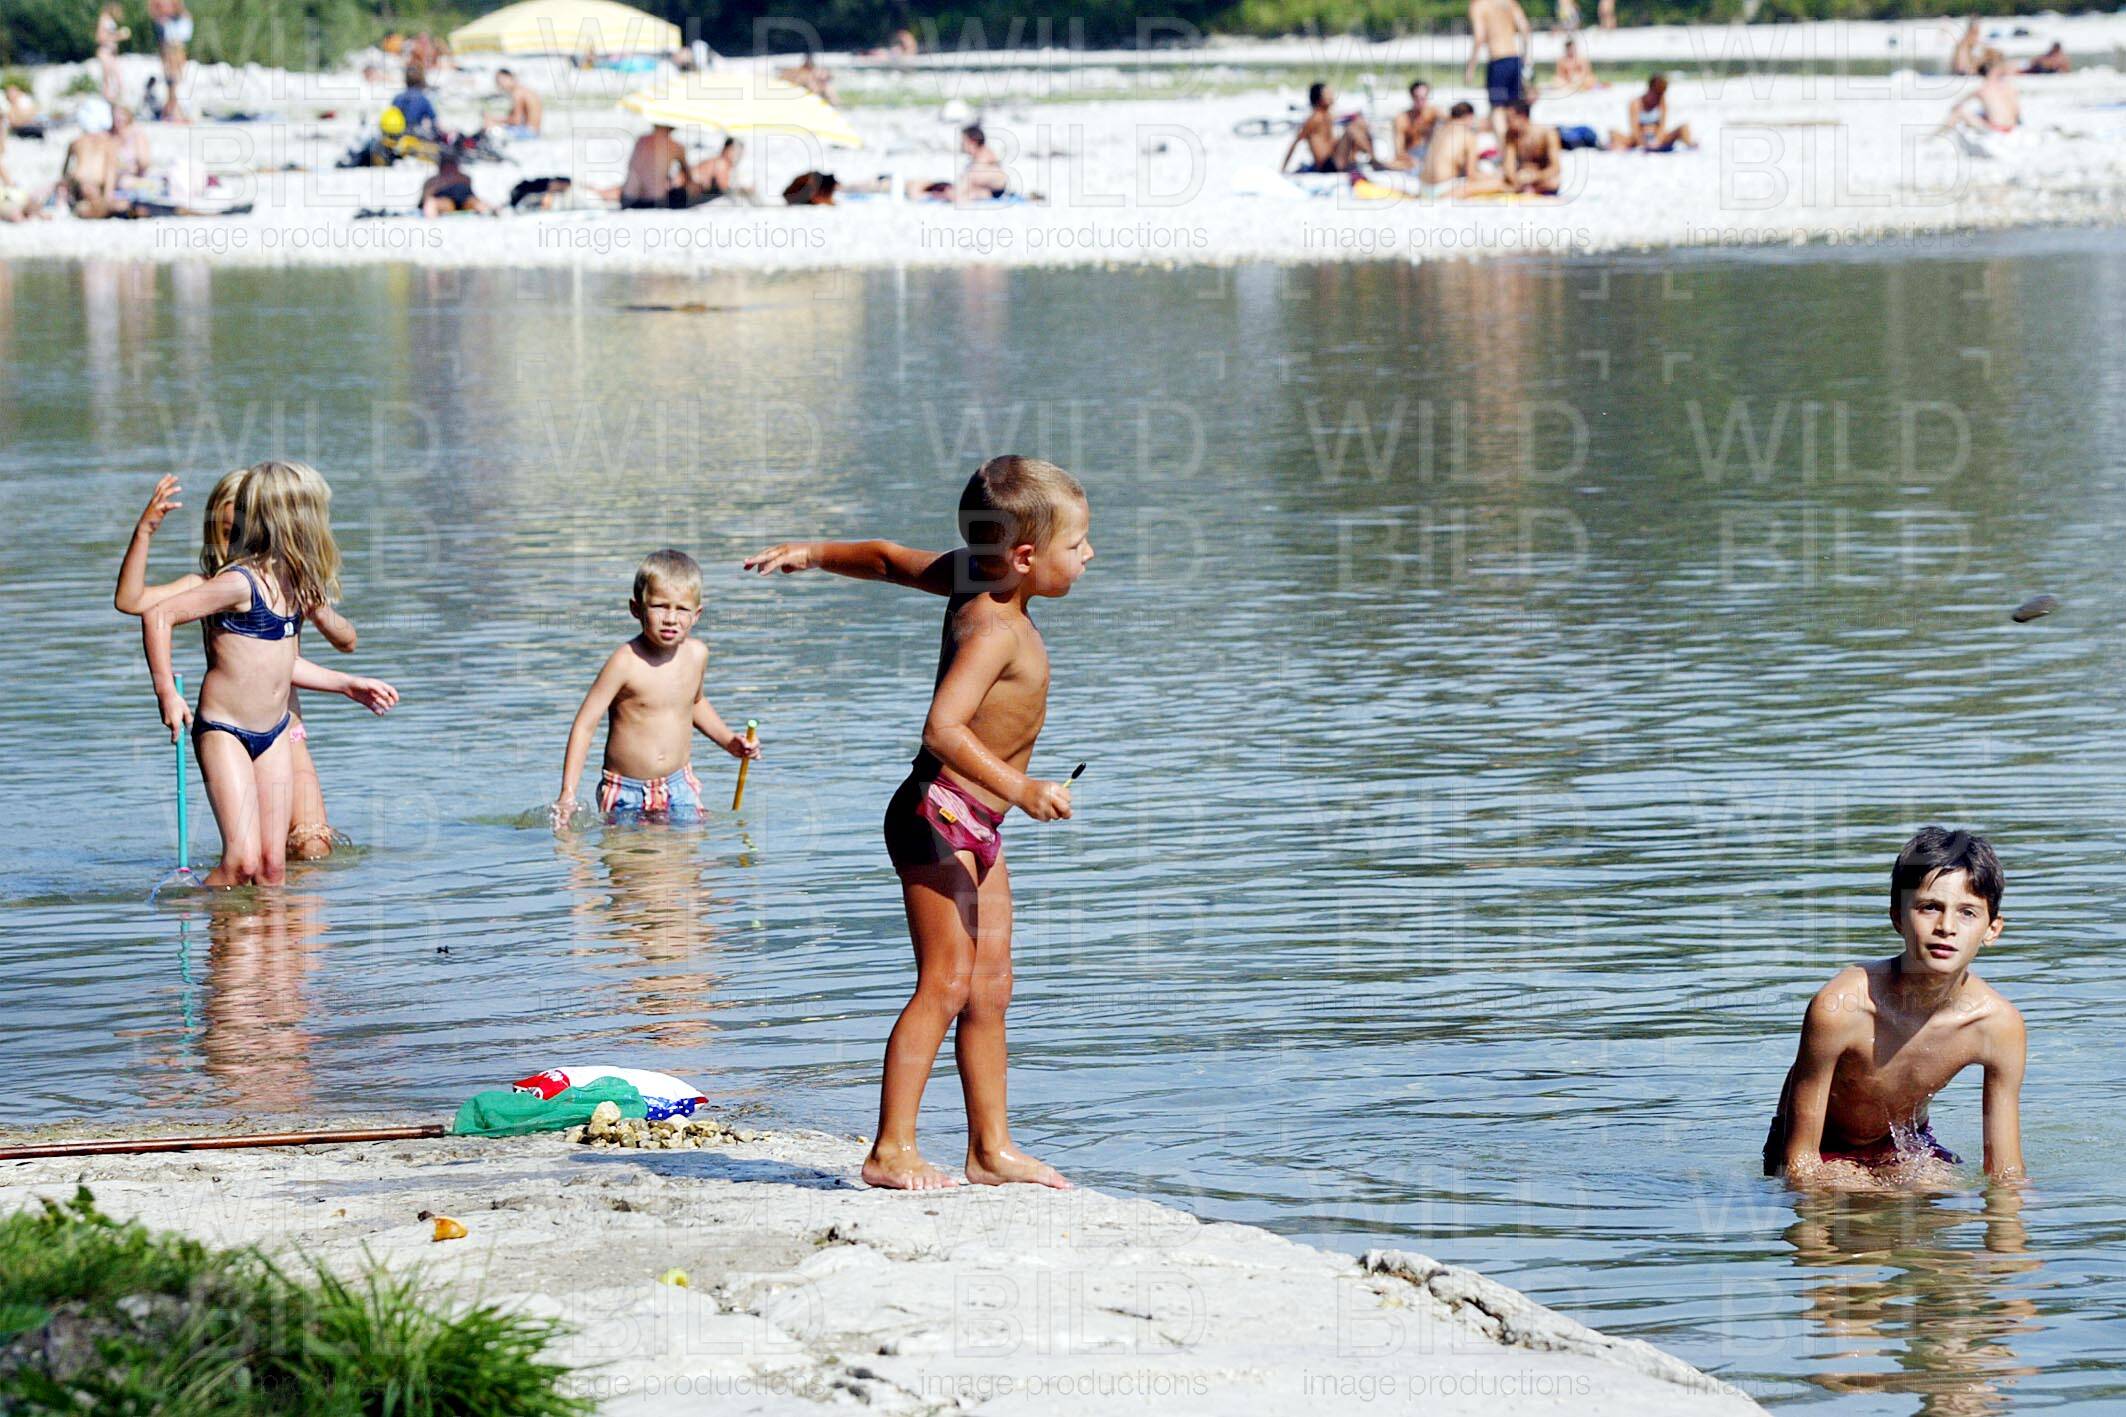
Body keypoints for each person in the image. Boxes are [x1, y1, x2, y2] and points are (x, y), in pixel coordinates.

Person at [742, 456, 1095, 1191]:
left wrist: (813, 552)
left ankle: (991, 1149)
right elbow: (942, 727)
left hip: (975, 823)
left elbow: (885, 559)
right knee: (946, 981)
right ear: (1024, 556)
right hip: (936, 815)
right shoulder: (993, 627)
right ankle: (891, 1149)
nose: (1089, 554)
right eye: (1077, 543)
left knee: (991, 985)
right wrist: (1022, 787)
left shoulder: (973, 573)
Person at [140, 461, 398, 887]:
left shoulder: (293, 585)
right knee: (241, 863)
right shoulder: (239, 583)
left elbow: (280, 662)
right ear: (289, 520)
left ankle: (267, 931)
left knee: (272, 867)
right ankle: (194, 913)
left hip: (275, 734)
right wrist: (167, 693)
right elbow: (157, 616)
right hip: (225, 730)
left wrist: (346, 684)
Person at [1763, 828, 2026, 1186]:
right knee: (1845, 1194)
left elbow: (2006, 1173)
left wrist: (2009, 1217)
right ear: (1898, 917)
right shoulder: (1842, 1007)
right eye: (1929, 907)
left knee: (1945, 1193)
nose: (1946, 927)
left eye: (1967, 912)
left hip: (1903, 1145)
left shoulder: (1997, 1025)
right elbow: (1799, 1163)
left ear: (1992, 929)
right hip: (1820, 1144)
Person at [552, 549, 757, 829]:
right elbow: (585, 725)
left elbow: (694, 703)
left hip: (679, 784)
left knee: (687, 852)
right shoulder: (625, 662)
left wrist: (728, 741)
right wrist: (568, 793)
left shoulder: (697, 654)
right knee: (628, 854)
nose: (671, 618)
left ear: (697, 614)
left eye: (681, 609)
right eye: (660, 606)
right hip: (628, 791)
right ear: (636, 609)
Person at [1465, 0, 1533, 136]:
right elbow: (1525, 28)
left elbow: (1479, 37)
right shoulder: (1509, 2)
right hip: (1514, 59)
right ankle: (1517, 144)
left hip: (1498, 59)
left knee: (1497, 108)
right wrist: (1526, 56)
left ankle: (1503, 145)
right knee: (1514, 107)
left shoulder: (1478, 6)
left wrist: (1470, 68)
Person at [1279, 82, 1374, 175]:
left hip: (1334, 159)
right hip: (1327, 166)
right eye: (1328, 94)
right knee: (1351, 130)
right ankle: (1373, 160)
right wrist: (1283, 168)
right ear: (1319, 99)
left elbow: (1342, 118)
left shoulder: (1327, 115)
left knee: (1359, 123)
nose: (1332, 97)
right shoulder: (1314, 119)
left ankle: (1364, 160)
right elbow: (1295, 142)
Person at [1417, 101, 1505, 198]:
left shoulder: (1439, 131)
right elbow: (1472, 175)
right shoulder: (1468, 135)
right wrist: (1493, 176)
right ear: (1469, 117)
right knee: (1498, 183)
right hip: (1444, 191)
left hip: (1423, 188)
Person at [910, 124, 1011, 201]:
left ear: (973, 141)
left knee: (919, 188)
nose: (962, 145)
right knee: (922, 185)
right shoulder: (984, 157)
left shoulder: (982, 161)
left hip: (988, 191)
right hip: (986, 190)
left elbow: (959, 193)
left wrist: (936, 194)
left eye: (964, 141)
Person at [621, 123, 708, 208]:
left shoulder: (641, 141)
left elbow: (633, 167)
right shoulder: (676, 146)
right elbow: (687, 176)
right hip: (654, 200)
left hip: (628, 199)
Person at [1610, 74, 1694, 151]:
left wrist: (1657, 140)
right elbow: (1634, 129)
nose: (1659, 97)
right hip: (1639, 139)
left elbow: (1662, 126)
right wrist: (1644, 143)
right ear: (1650, 89)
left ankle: (1690, 145)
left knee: (1684, 128)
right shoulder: (1636, 103)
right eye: (1657, 94)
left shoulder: (1662, 102)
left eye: (1661, 94)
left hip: (1659, 138)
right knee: (1613, 133)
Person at [62, 130, 133, 219]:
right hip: (93, 184)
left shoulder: (76, 141)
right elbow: (110, 173)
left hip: (78, 183)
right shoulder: (109, 143)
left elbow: (65, 170)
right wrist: (108, 195)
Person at [1943, 58, 2020, 138]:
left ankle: (1940, 136)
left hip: (1996, 129)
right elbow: (2017, 112)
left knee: (1959, 112)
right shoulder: (2009, 88)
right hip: (2011, 128)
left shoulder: (1982, 89)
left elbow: (1958, 103)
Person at [1502, 100, 1563, 193]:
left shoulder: (1547, 133)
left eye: (1509, 120)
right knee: (1497, 180)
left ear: (1522, 117)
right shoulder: (1511, 135)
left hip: (1542, 177)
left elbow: (1556, 168)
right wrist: (1516, 179)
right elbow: (1509, 166)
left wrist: (1536, 176)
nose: (1507, 124)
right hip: (1521, 177)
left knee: (1554, 183)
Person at [148, 0, 191, 123]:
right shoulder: (166, 23)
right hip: (171, 47)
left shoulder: (176, 21)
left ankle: (170, 111)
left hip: (173, 46)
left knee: (173, 82)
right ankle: (173, 112)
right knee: (173, 82)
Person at [1389, 80, 1441, 170]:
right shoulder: (1402, 119)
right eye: (1417, 98)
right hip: (1410, 158)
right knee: (1394, 164)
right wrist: (1414, 160)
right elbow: (1399, 152)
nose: (1421, 101)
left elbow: (1455, 120)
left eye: (1424, 98)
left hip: (1430, 155)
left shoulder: (1433, 112)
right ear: (1412, 97)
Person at [484, 68, 543, 139]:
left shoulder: (517, 93)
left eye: (502, 81)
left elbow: (516, 120)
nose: (500, 85)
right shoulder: (524, 90)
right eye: (498, 82)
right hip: (534, 131)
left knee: (490, 129)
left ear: (510, 78)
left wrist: (494, 120)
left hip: (529, 133)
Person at [420, 153, 486, 215]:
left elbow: (473, 197)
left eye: (452, 166)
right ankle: (431, 218)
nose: (450, 169)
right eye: (447, 166)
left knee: (476, 202)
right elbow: (425, 200)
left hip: (465, 203)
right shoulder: (433, 181)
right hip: (445, 204)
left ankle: (487, 212)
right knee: (431, 203)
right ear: (441, 168)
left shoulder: (464, 178)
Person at [391, 63, 441, 143]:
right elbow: (435, 123)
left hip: (397, 137)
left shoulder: (397, 98)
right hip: (414, 138)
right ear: (422, 80)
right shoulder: (423, 99)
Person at [96, 3, 130, 107]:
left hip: (111, 54)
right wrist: (119, 35)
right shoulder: (104, 20)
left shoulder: (109, 20)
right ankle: (109, 105)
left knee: (115, 80)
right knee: (109, 80)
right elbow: (100, 38)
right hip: (106, 52)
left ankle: (114, 105)